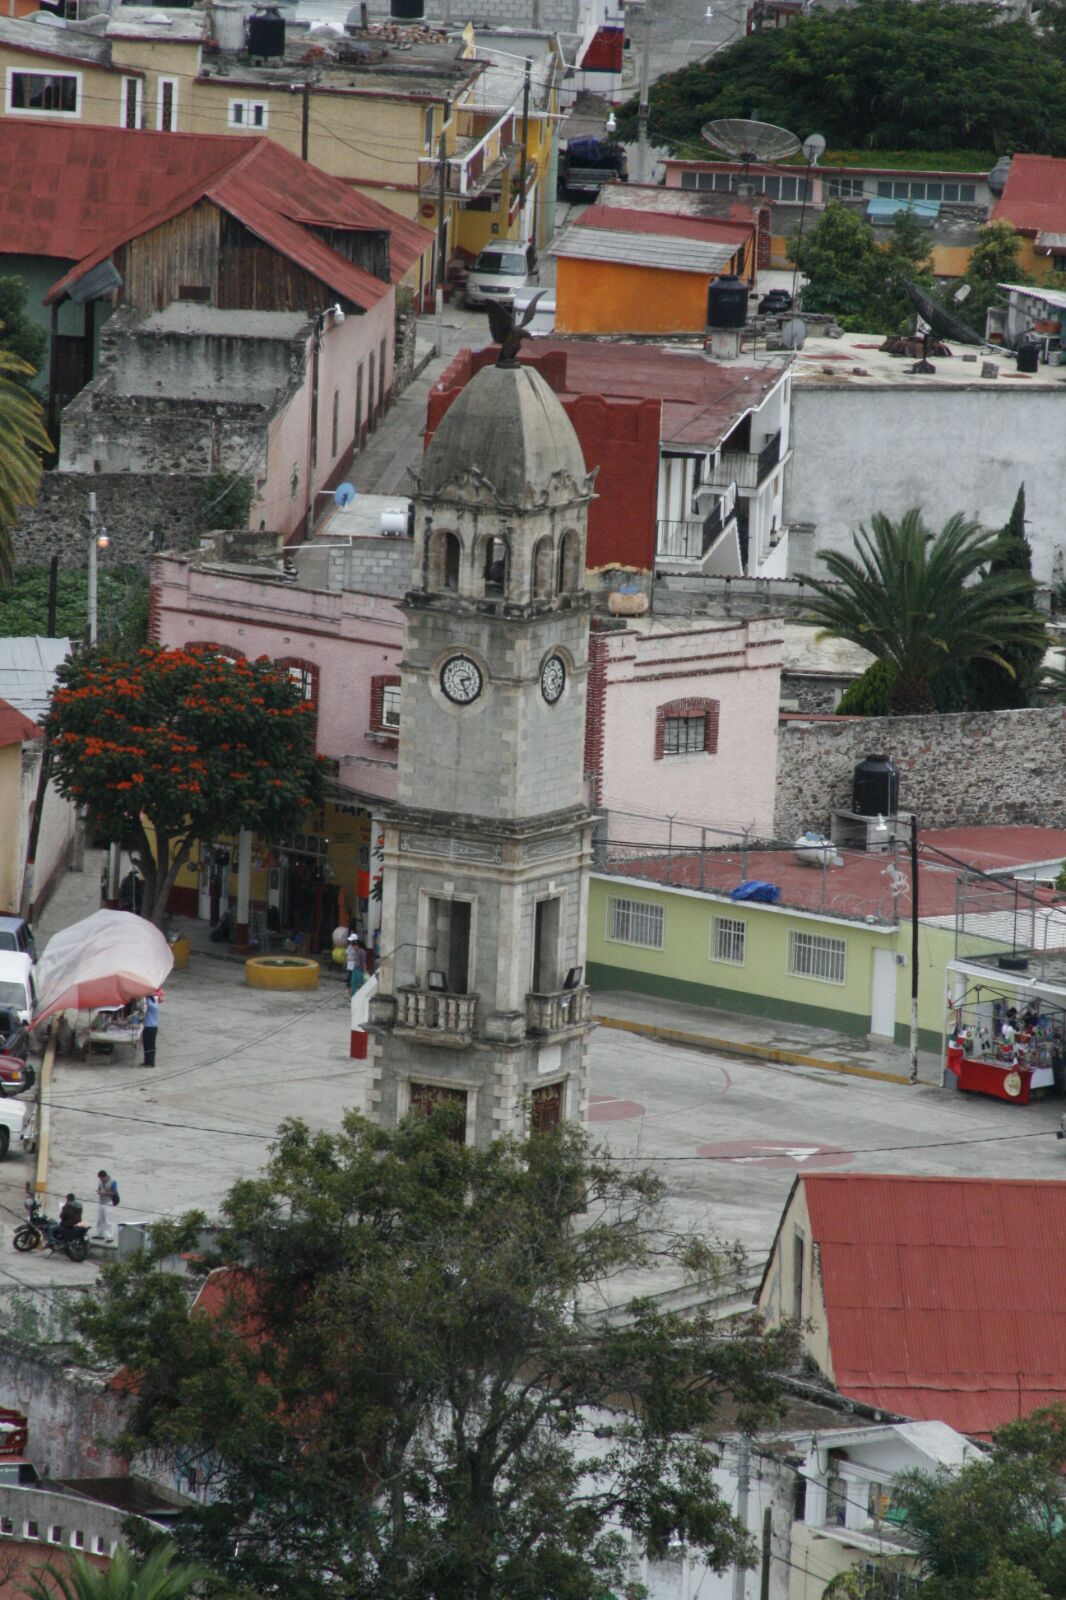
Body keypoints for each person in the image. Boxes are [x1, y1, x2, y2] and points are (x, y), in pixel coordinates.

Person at [94, 1169, 118, 1243]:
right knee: (100, 1220)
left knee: (108, 1220)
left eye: (101, 1178)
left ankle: (110, 1237)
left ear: (105, 1176)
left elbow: (114, 1193)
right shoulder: (100, 1181)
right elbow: (99, 1189)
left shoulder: (113, 1181)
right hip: (101, 1202)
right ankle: (100, 1234)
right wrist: (98, 1192)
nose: (100, 1180)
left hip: (108, 1203)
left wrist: (104, 1193)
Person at [142, 990, 161, 1068]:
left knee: (150, 1045)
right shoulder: (154, 1002)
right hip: (148, 1026)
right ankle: (147, 1061)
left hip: (151, 1027)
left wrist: (145, 997)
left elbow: (148, 1006)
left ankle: (151, 1062)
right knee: (146, 1044)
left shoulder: (152, 1005)